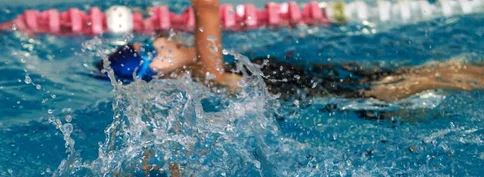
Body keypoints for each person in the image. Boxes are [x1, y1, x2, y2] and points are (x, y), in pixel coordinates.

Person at [96, 0, 484, 102]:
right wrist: (204, 8)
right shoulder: (201, 77)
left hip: (334, 79)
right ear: (157, 72)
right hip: (350, 97)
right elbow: (210, 43)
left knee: (450, 68)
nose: (162, 39)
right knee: (440, 77)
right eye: (152, 49)